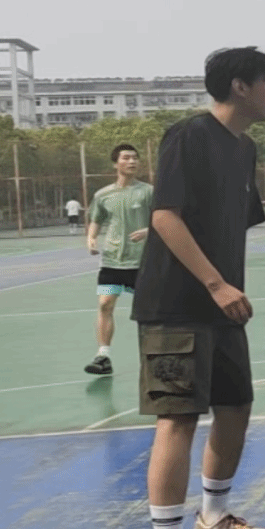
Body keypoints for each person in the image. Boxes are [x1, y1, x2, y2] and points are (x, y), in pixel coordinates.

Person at [130, 47, 265, 529]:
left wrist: (225, 286)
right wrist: (216, 283)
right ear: (240, 86)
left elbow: (228, 220)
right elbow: (165, 214)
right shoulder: (189, 135)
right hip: (176, 305)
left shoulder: (245, 148)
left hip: (223, 306)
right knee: (178, 418)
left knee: (236, 407)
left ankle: (212, 520)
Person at [84, 143, 153, 375]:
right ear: (116, 163)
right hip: (112, 262)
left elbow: (164, 219)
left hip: (142, 262)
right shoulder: (103, 195)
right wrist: (91, 238)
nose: (132, 161)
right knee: (105, 305)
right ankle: (103, 356)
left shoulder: (148, 192)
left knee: (147, 311)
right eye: (126, 158)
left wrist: (148, 231)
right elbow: (96, 219)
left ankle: (152, 355)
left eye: (135, 158)